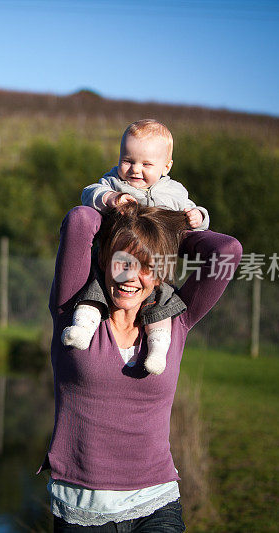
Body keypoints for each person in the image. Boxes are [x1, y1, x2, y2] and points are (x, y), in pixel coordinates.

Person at [40, 202, 241, 531]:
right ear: (105, 260)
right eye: (123, 261)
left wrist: (167, 232)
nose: (131, 277)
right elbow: (80, 221)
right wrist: (119, 211)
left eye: (148, 265)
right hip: (82, 508)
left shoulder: (177, 319)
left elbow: (228, 251)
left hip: (156, 503)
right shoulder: (72, 310)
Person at [63, 119, 209, 376]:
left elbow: (194, 212)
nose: (135, 170)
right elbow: (89, 194)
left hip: (153, 267)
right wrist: (111, 199)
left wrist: (198, 216)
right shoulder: (114, 183)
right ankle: (82, 329)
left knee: (162, 302)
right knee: (94, 293)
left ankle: (157, 350)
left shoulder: (173, 192)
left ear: (166, 166)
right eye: (128, 160)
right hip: (112, 261)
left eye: (146, 164)